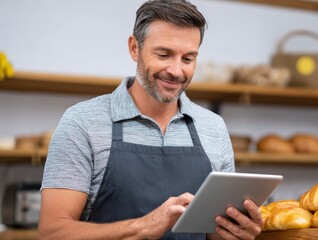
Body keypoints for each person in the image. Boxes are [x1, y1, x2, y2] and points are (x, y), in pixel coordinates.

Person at [38, 0, 263, 239]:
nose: (176, 71)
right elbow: (53, 232)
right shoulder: (82, 122)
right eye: (164, 54)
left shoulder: (213, 127)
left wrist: (237, 230)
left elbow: (212, 232)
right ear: (135, 48)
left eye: (188, 59)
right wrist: (143, 227)